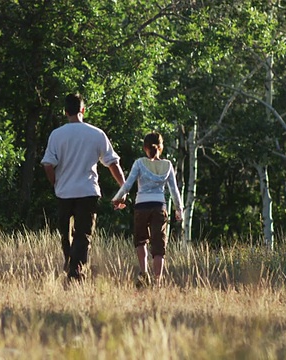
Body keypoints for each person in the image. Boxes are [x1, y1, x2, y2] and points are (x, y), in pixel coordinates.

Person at [41, 93, 126, 282]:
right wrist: (123, 188)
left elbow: (47, 164)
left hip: (64, 192)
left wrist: (55, 182)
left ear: (65, 112)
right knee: (83, 234)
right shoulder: (96, 133)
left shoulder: (57, 134)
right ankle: (76, 269)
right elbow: (113, 163)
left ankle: (72, 269)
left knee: (65, 233)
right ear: (83, 110)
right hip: (88, 192)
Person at [112, 132, 183, 288]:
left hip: (141, 206)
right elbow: (174, 190)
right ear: (161, 147)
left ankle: (144, 273)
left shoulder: (139, 163)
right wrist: (179, 210)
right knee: (158, 246)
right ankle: (158, 282)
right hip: (159, 207)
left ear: (145, 147)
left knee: (141, 240)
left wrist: (117, 198)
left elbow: (128, 184)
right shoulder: (168, 165)